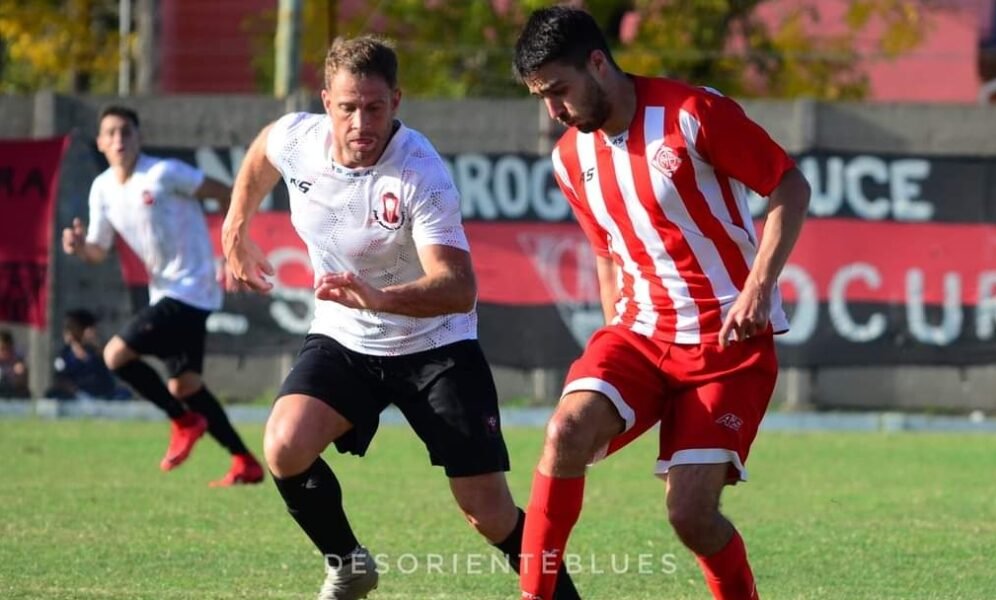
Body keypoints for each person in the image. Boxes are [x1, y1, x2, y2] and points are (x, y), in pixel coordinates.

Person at [223, 35, 579, 600]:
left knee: (487, 512)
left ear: (396, 101)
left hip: (436, 347)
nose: (360, 123)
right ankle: (349, 565)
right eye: (347, 107)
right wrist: (235, 226)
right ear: (326, 102)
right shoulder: (299, 139)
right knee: (285, 445)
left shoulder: (420, 174)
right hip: (345, 338)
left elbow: (458, 288)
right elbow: (265, 149)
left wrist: (380, 297)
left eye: (374, 108)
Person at [512, 7, 812, 600]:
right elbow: (606, 252)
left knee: (690, 515)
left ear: (598, 63)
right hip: (639, 338)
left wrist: (758, 287)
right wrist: (611, 352)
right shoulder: (569, 159)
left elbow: (789, 185)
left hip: (725, 346)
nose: (553, 111)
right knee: (565, 431)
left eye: (559, 91)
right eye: (541, 97)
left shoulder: (692, 114)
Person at [62, 105, 264, 487]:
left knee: (116, 355)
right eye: (111, 133)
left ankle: (183, 420)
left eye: (126, 131)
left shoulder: (164, 173)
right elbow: (98, 250)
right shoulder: (102, 188)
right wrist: (78, 247)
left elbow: (227, 194)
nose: (119, 139)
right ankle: (245, 461)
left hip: (192, 287)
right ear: (101, 142)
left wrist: (233, 250)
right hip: (166, 293)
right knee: (185, 386)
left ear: (139, 137)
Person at [46, 309, 131, 401]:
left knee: (124, 394)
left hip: (102, 395)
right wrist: (79, 394)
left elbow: (110, 376)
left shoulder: (98, 353)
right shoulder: (64, 356)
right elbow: (61, 379)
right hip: (76, 397)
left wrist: (98, 350)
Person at [0, 329, 30, 399]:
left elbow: (22, 384)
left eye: (6, 348)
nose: (4, 352)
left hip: (14, 396)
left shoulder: (18, 363)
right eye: (2, 349)